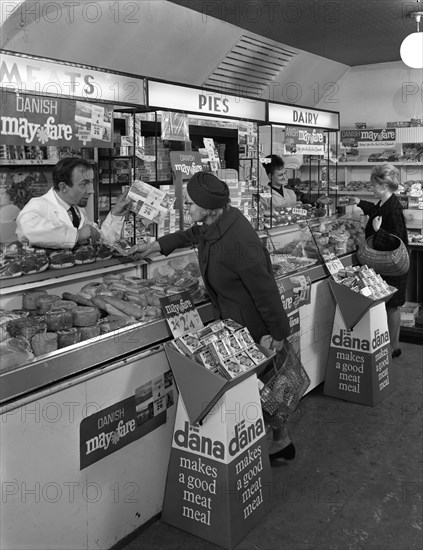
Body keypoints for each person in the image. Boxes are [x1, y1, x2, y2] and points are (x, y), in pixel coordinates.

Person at [129, 171, 294, 462]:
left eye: (191, 204)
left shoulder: (240, 240)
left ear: (208, 208)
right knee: (262, 387)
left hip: (252, 325)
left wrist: (278, 333)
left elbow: (265, 290)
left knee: (263, 386)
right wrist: (155, 246)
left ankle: (271, 444)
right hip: (233, 319)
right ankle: (278, 440)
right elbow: (194, 233)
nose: (187, 208)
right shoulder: (219, 221)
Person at [349, 163, 409, 358]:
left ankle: (394, 347)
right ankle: (388, 345)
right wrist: (359, 201)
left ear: (383, 186)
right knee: (388, 303)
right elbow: (375, 211)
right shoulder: (385, 203)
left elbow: (396, 240)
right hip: (385, 264)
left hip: (392, 266)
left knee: (392, 305)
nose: (371, 188)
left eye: (373, 185)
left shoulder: (394, 209)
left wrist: (377, 231)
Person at [16, 157, 130, 249]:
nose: (92, 190)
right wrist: (77, 235)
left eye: (91, 182)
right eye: (84, 184)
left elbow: (102, 240)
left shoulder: (76, 209)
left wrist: (115, 214)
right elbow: (28, 230)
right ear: (64, 187)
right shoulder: (38, 205)